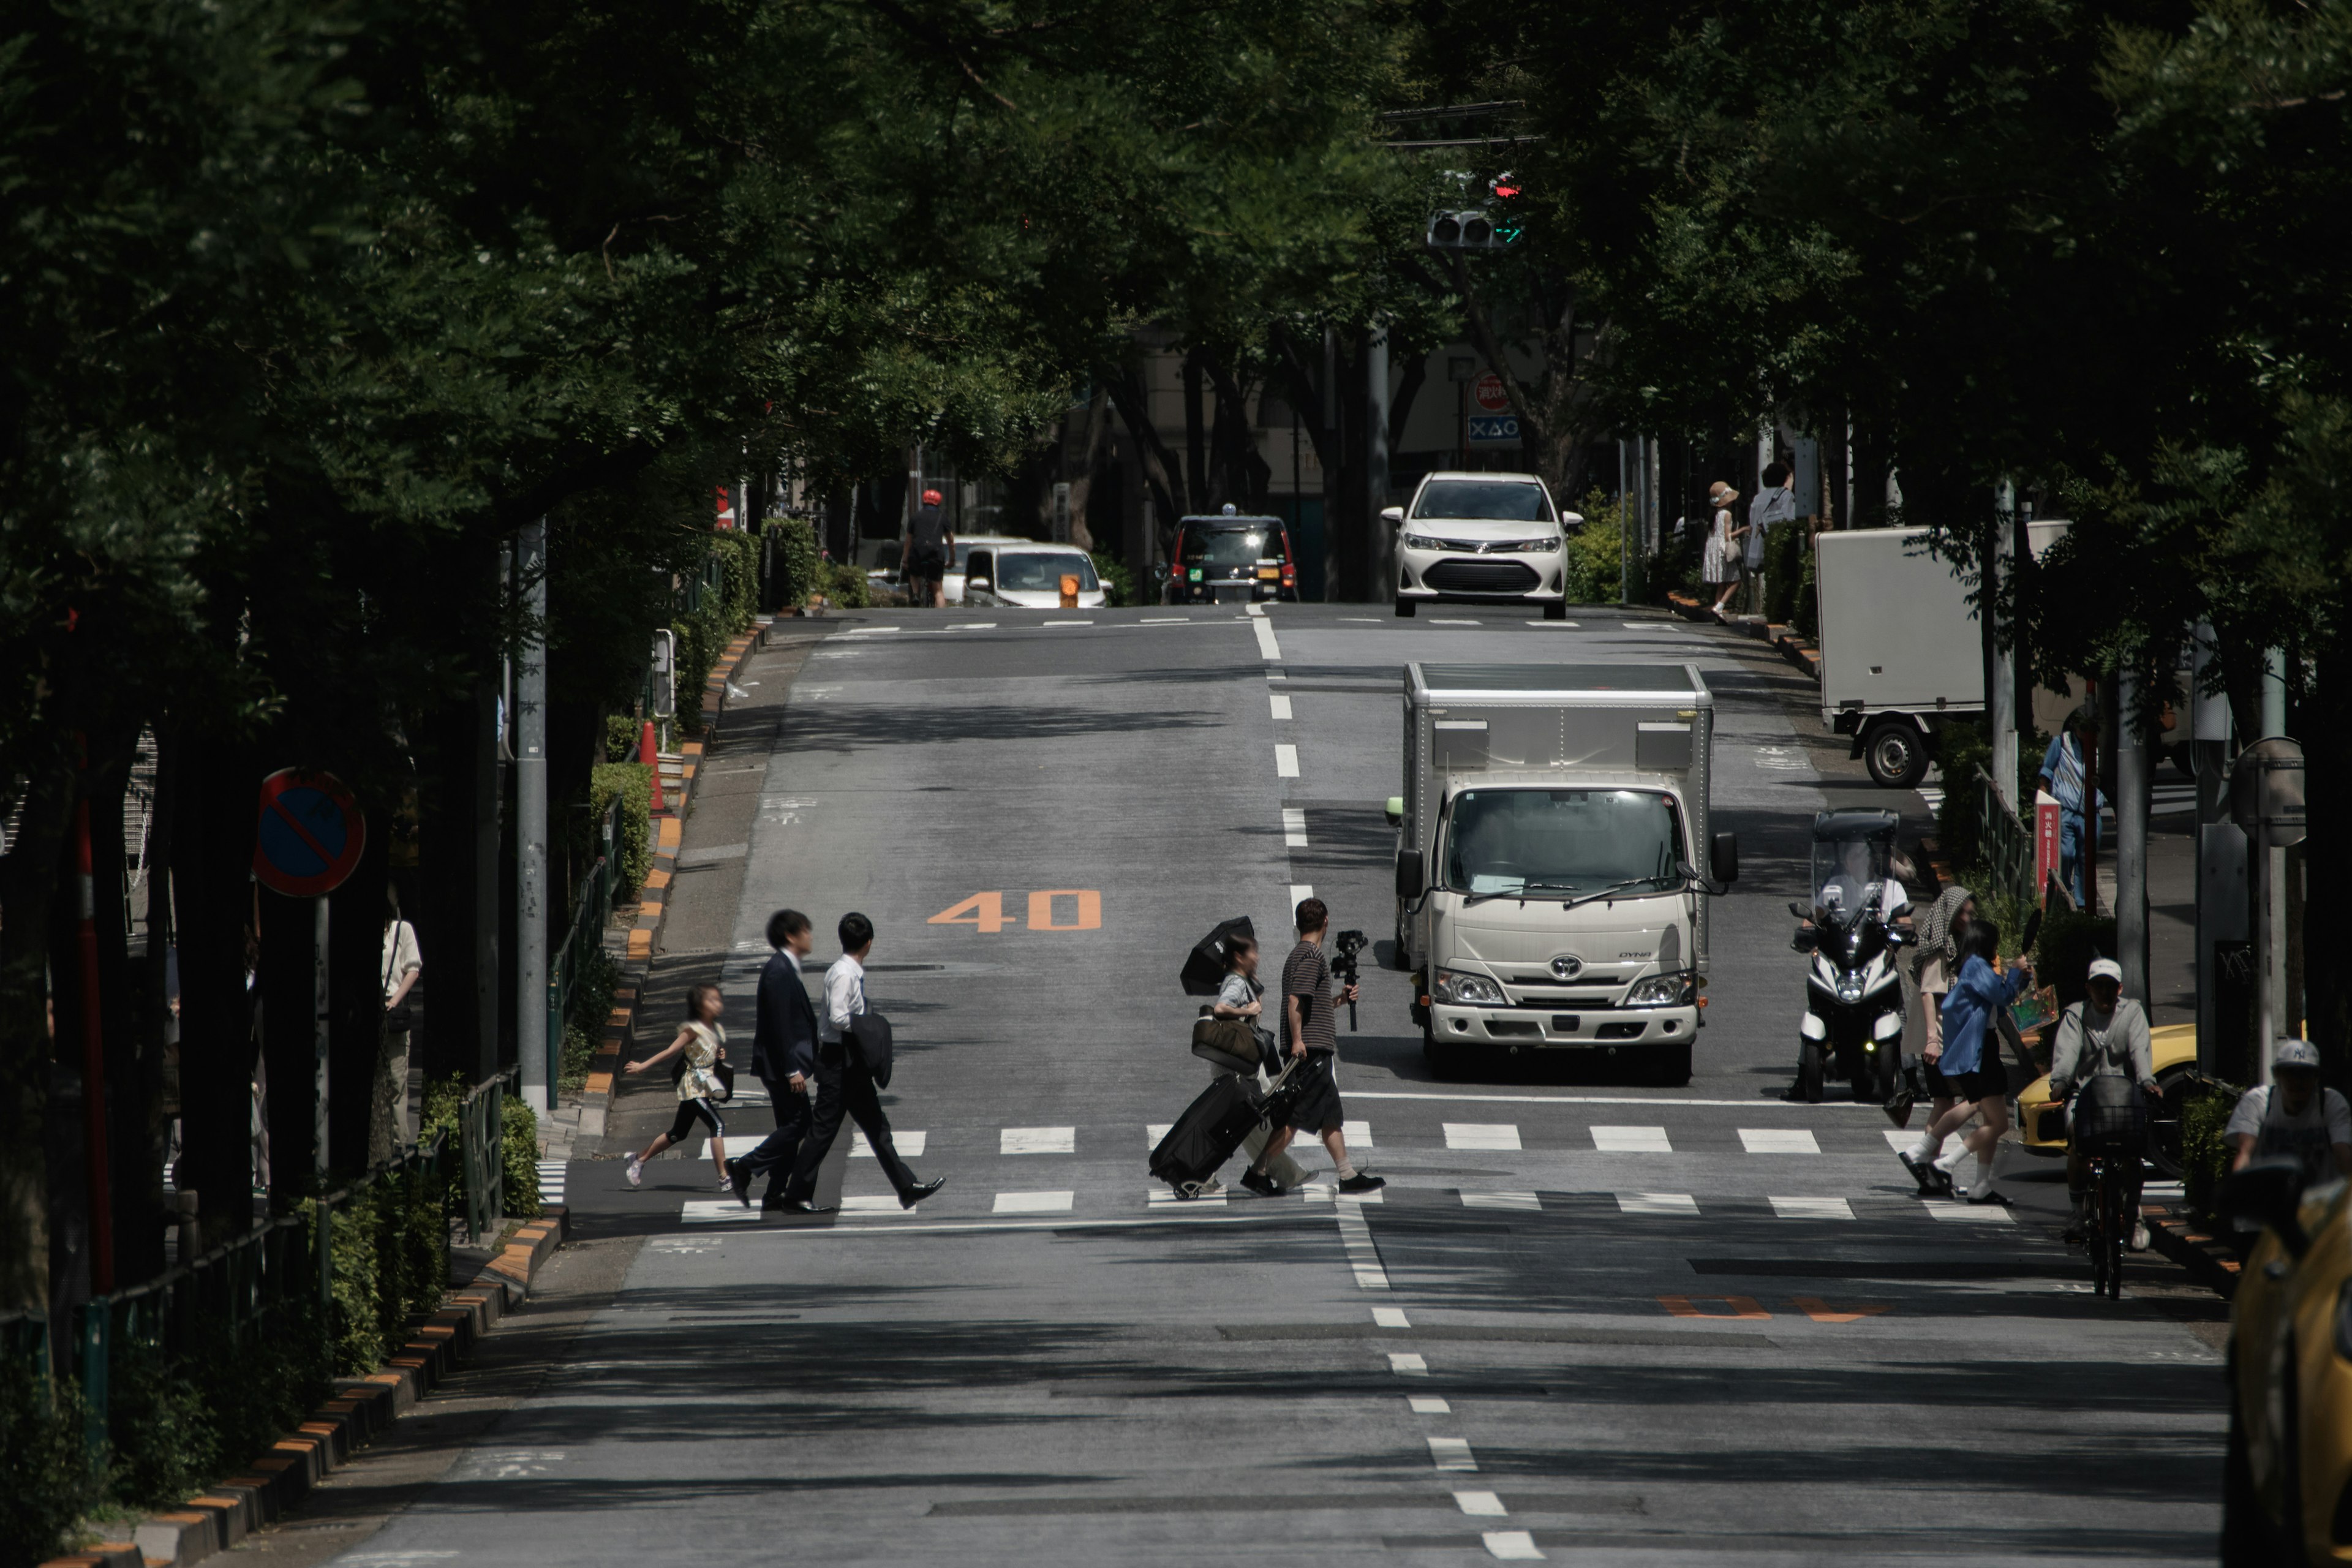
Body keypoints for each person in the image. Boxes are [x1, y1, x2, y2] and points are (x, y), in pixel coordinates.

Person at [778, 913, 946, 1213]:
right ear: (869, 943)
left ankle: (907, 1188)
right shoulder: (844, 974)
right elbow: (839, 1018)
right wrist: (869, 1024)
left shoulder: (847, 971)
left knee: (876, 1125)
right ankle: (795, 1196)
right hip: (837, 1063)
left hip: (849, 1062)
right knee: (823, 1131)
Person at [1242, 899, 1382, 1197]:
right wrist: (1297, 1041)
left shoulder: (1298, 955)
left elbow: (1309, 1004)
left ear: (1297, 924)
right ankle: (1258, 1172)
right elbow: (1296, 1001)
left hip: (1311, 1049)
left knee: (1329, 1115)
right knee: (1295, 1118)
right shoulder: (1311, 956)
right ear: (1326, 922)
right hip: (1310, 1052)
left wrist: (1339, 1001)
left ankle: (1347, 1174)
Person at [1897, 921, 2031, 1202]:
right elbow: (2002, 995)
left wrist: (2019, 978)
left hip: (1980, 1047)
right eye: (1995, 944)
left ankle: (1979, 1184)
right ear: (1986, 944)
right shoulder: (1977, 968)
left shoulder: (1972, 967)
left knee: (1983, 1114)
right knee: (1998, 1124)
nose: (1997, 951)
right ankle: (1944, 1162)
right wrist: (2017, 971)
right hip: (1982, 1048)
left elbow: (2001, 999)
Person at [2048, 957, 2158, 1246]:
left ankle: (2134, 1217)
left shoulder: (2132, 1012)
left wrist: (2147, 1081)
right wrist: (2060, 1081)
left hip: (2124, 1096)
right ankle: (2076, 1213)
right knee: (2077, 1145)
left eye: (2111, 987)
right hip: (2083, 1096)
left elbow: (2139, 1050)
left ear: (2120, 988)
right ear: (2089, 988)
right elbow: (2068, 1052)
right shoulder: (2076, 1015)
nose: (2105, 993)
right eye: (2099, 987)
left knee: (2133, 1155)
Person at [725, 909, 818, 1209]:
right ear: (792, 936)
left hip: (781, 1065)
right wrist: (792, 1069)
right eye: (806, 930)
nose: (810, 936)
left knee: (792, 1127)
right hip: (781, 1067)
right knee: (799, 1124)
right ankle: (745, 1167)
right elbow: (780, 1026)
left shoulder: (785, 967)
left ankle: (775, 1192)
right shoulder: (779, 971)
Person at [1210, 933, 1306, 1194]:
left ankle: (1282, 1173)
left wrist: (1254, 990)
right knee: (1263, 1116)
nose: (1258, 957)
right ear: (1240, 957)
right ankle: (1283, 1173)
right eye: (1253, 952)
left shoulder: (1242, 981)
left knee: (1245, 1124)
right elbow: (1220, 1009)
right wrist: (1248, 1011)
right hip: (1239, 1067)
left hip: (1240, 1064)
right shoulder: (1236, 983)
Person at [1902, 886, 1977, 1188]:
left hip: (1951, 1038)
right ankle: (1923, 1158)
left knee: (1944, 1102)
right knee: (1974, 1098)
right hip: (1944, 1041)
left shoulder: (1958, 945)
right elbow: (1928, 993)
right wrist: (1933, 1039)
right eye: (1965, 913)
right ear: (1951, 913)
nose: (1970, 917)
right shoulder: (1941, 948)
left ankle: (1928, 1170)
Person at [624, 984, 732, 1190]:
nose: (717, 1004)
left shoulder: (714, 1028)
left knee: (678, 1133)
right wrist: (642, 1066)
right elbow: (670, 1050)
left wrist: (720, 1055)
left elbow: (706, 1053)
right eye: (712, 1000)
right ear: (700, 1006)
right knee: (717, 1126)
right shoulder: (692, 1029)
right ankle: (724, 1177)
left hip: (704, 1087)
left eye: (718, 1000)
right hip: (692, 1087)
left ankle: (637, 1159)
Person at [2226, 1039, 2352, 1186]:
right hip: (2269, 1198)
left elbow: (2342, 1153)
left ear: (2316, 1078)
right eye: (2291, 1073)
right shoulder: (2258, 1102)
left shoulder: (2330, 1103)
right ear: (2277, 1075)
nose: (2298, 1082)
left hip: (2320, 1201)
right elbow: (2245, 1152)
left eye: (2306, 1074)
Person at [2037, 710, 2106, 907]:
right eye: (2082, 729)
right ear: (2075, 727)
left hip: (2091, 812)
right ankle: (2066, 890)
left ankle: (2082, 901)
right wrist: (2043, 789)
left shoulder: (2100, 746)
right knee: (2066, 854)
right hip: (2066, 809)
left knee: (2087, 857)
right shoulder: (2061, 743)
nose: (2085, 734)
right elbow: (2047, 768)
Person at [379, 888, 422, 1150]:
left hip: (391, 1011)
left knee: (397, 1082)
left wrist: (394, 1001)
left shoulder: (401, 930)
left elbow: (413, 969)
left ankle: (399, 1147)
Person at [1743, 460, 1794, 616]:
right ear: (1784, 478)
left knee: (1769, 577)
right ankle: (1779, 611)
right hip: (1778, 542)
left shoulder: (1758, 498)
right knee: (1780, 577)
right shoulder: (1786, 496)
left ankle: (1769, 608)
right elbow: (1790, 519)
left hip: (1760, 543)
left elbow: (1753, 522)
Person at [904, 488, 954, 609]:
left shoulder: (915, 517)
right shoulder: (943, 518)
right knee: (938, 590)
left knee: (914, 574)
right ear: (939, 502)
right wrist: (952, 559)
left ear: (924, 501)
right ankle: (940, 616)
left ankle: (916, 594)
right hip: (936, 555)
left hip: (917, 554)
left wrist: (905, 560)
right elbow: (951, 541)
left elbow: (908, 541)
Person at [1702, 481, 1740, 612]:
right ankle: (1720, 606)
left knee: (1722, 582)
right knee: (1736, 581)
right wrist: (1743, 530)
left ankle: (1717, 610)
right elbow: (1727, 536)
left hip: (1714, 549)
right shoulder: (1727, 514)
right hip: (1723, 550)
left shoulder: (1714, 514)